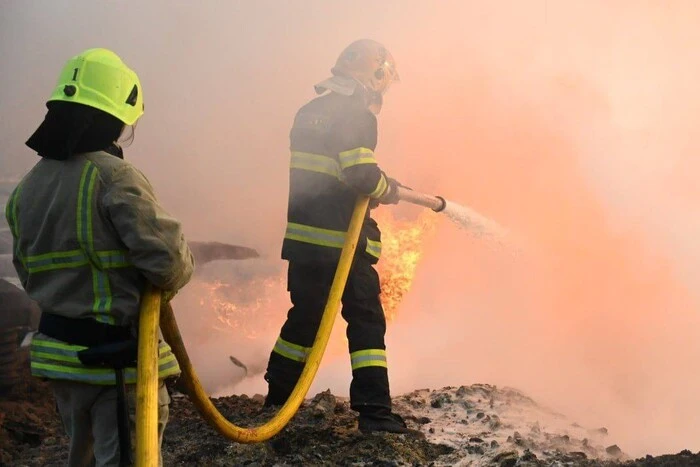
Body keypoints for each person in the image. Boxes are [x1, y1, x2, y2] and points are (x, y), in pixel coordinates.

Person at [5, 48, 194, 466]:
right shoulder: (112, 176)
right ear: (114, 118)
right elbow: (169, 264)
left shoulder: (27, 188)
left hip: (64, 366)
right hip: (117, 367)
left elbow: (27, 272)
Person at [264, 39, 417, 435]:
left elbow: (328, 173)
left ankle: (277, 398)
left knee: (305, 319)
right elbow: (361, 174)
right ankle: (375, 412)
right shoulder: (357, 114)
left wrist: (380, 183)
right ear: (374, 75)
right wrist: (388, 189)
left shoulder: (308, 112)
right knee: (365, 323)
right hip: (342, 242)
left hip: (304, 242)